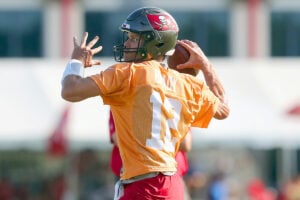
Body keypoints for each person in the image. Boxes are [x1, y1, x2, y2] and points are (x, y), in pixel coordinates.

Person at [61, 6, 229, 200]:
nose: (128, 42)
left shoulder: (128, 73)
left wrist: (76, 61)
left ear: (154, 43)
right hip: (173, 186)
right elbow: (224, 109)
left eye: (134, 38)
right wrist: (207, 68)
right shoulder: (188, 84)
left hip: (144, 185)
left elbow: (70, 90)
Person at [109, 109, 192, 199]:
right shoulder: (124, 97)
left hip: (171, 178)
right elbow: (120, 139)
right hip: (132, 178)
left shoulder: (176, 99)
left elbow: (185, 143)